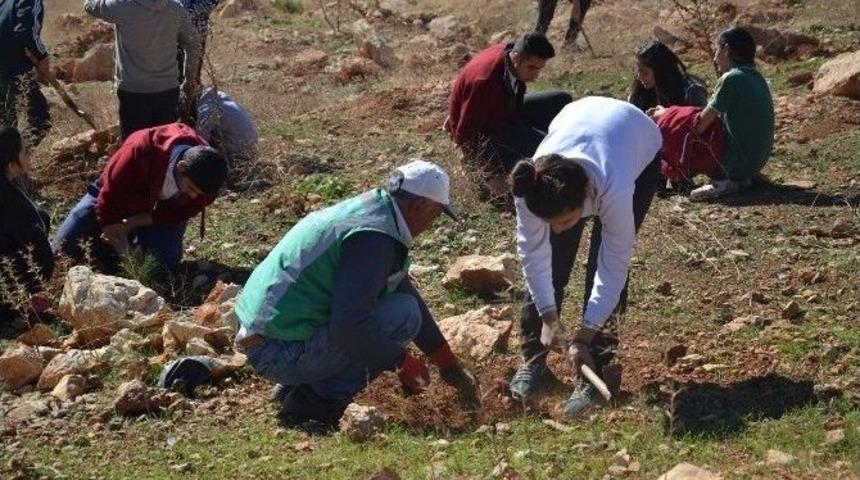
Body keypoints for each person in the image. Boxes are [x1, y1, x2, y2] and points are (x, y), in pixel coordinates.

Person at [234, 160, 480, 426]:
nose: (431, 224)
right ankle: (315, 401)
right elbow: (349, 327)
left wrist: (446, 363)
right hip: (276, 351)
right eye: (435, 214)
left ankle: (300, 383)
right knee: (403, 315)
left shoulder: (373, 212)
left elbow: (399, 285)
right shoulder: (373, 240)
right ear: (418, 206)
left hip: (266, 337)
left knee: (400, 305)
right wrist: (402, 362)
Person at [507, 97, 662, 416]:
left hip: (636, 141)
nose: (558, 229)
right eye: (552, 222)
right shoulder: (531, 187)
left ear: (585, 199)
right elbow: (534, 257)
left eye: (565, 220)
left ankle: (595, 371)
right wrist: (548, 317)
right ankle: (533, 360)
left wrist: (585, 335)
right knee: (553, 261)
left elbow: (613, 264)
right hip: (579, 119)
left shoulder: (613, 185)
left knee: (599, 265)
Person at [52, 123, 228, 275]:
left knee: (161, 270)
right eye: (191, 189)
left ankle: (129, 246)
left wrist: (130, 224)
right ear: (181, 167)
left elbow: (174, 214)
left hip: (155, 211)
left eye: (198, 193)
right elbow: (108, 203)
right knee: (63, 250)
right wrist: (127, 257)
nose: (194, 196)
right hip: (122, 197)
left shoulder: (208, 179)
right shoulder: (140, 150)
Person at [446, 32, 571, 202]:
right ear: (516, 58)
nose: (536, 75)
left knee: (561, 100)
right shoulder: (484, 81)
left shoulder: (508, 51)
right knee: (550, 148)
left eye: (539, 68)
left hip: (506, 109)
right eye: (532, 68)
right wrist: (482, 172)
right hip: (491, 129)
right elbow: (465, 133)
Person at [654, 27, 774, 201]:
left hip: (736, 164)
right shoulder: (756, 77)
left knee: (684, 127)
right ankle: (742, 178)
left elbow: (700, 125)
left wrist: (667, 115)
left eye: (717, 49)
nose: (715, 56)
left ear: (726, 49)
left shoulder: (731, 79)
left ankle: (723, 180)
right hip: (756, 163)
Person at [84, 0, 202, 140]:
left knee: (135, 146)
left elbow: (89, 5)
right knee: (164, 146)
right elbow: (193, 43)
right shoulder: (174, 8)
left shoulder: (121, 6)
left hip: (133, 93)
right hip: (168, 91)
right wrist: (189, 79)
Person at [0, 126, 53, 319]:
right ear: (11, 164)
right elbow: (42, 256)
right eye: (25, 151)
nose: (30, 155)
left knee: (42, 216)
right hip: (8, 288)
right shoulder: (11, 200)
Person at [0, 0, 51, 147]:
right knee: (41, 119)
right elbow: (26, 32)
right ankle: (23, 154)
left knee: (6, 120)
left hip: (5, 66)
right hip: (14, 67)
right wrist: (42, 56)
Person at [628, 41, 707, 112]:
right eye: (638, 72)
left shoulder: (691, 91)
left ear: (660, 70)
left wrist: (666, 115)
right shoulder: (642, 92)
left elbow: (701, 121)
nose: (639, 77)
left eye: (645, 73)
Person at [196, 88, 258, 169]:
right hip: (251, 146)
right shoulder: (218, 96)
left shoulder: (207, 106)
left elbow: (201, 139)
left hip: (239, 151)